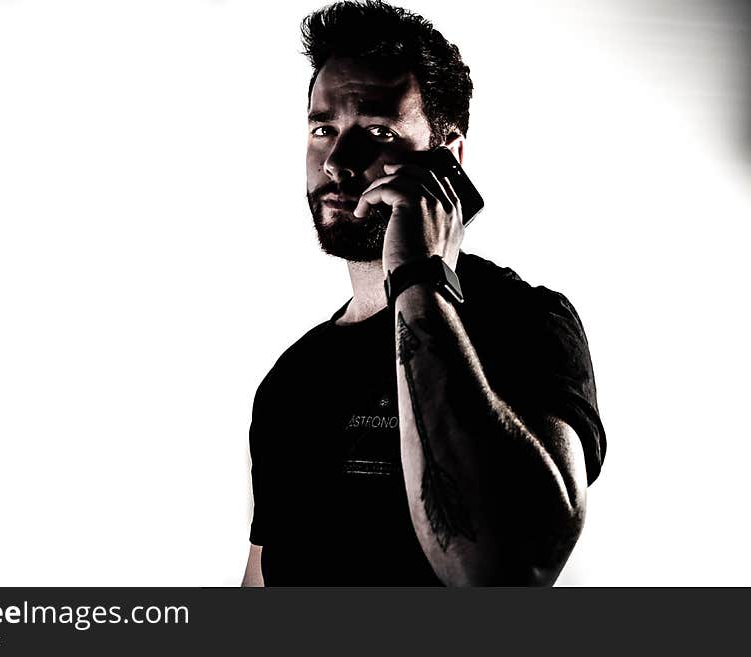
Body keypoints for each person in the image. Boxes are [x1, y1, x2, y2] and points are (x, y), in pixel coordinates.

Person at [241, 0, 606, 587]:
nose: (336, 161)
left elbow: (502, 571)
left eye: (378, 131)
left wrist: (417, 273)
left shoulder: (524, 322)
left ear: (450, 159)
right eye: (322, 128)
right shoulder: (293, 377)